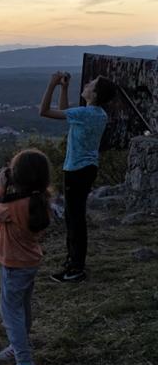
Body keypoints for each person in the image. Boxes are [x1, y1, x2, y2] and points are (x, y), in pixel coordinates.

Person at [0, 149, 52, 365]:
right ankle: (16, 346)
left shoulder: (12, 207)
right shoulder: (39, 199)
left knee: (10, 313)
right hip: (29, 262)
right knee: (22, 308)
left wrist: (0, 187)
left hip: (13, 264)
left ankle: (25, 364)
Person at [39, 71, 117, 282]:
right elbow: (66, 112)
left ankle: (76, 268)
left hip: (77, 170)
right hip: (86, 168)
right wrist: (64, 88)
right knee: (74, 217)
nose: (87, 83)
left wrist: (52, 84)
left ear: (94, 94)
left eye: (92, 84)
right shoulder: (96, 113)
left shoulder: (87, 114)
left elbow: (44, 111)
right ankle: (73, 261)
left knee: (75, 219)